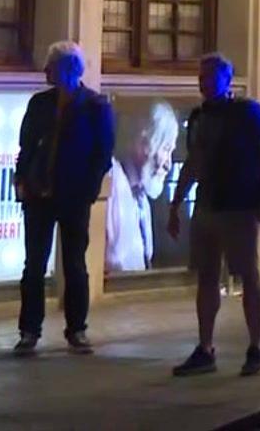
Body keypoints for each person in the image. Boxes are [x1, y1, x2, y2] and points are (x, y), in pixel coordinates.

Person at [168, 54, 260, 378]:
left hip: (240, 206)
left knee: (247, 274)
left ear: (226, 80)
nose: (202, 83)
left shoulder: (248, 113)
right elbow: (194, 162)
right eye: (200, 77)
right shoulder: (200, 117)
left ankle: (255, 346)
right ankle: (205, 347)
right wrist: (176, 204)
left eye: (209, 77)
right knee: (206, 276)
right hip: (208, 205)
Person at [14, 42, 115, 356]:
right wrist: (22, 180)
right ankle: (30, 330)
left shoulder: (95, 107)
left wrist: (87, 190)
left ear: (69, 69)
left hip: (73, 197)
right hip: (38, 195)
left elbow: (102, 154)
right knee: (34, 265)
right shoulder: (39, 104)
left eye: (51, 65)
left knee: (74, 264)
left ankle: (77, 329)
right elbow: (26, 145)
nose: (45, 71)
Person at [107, 101, 181, 273]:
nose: (168, 165)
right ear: (142, 143)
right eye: (166, 149)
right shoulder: (110, 185)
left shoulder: (142, 199)